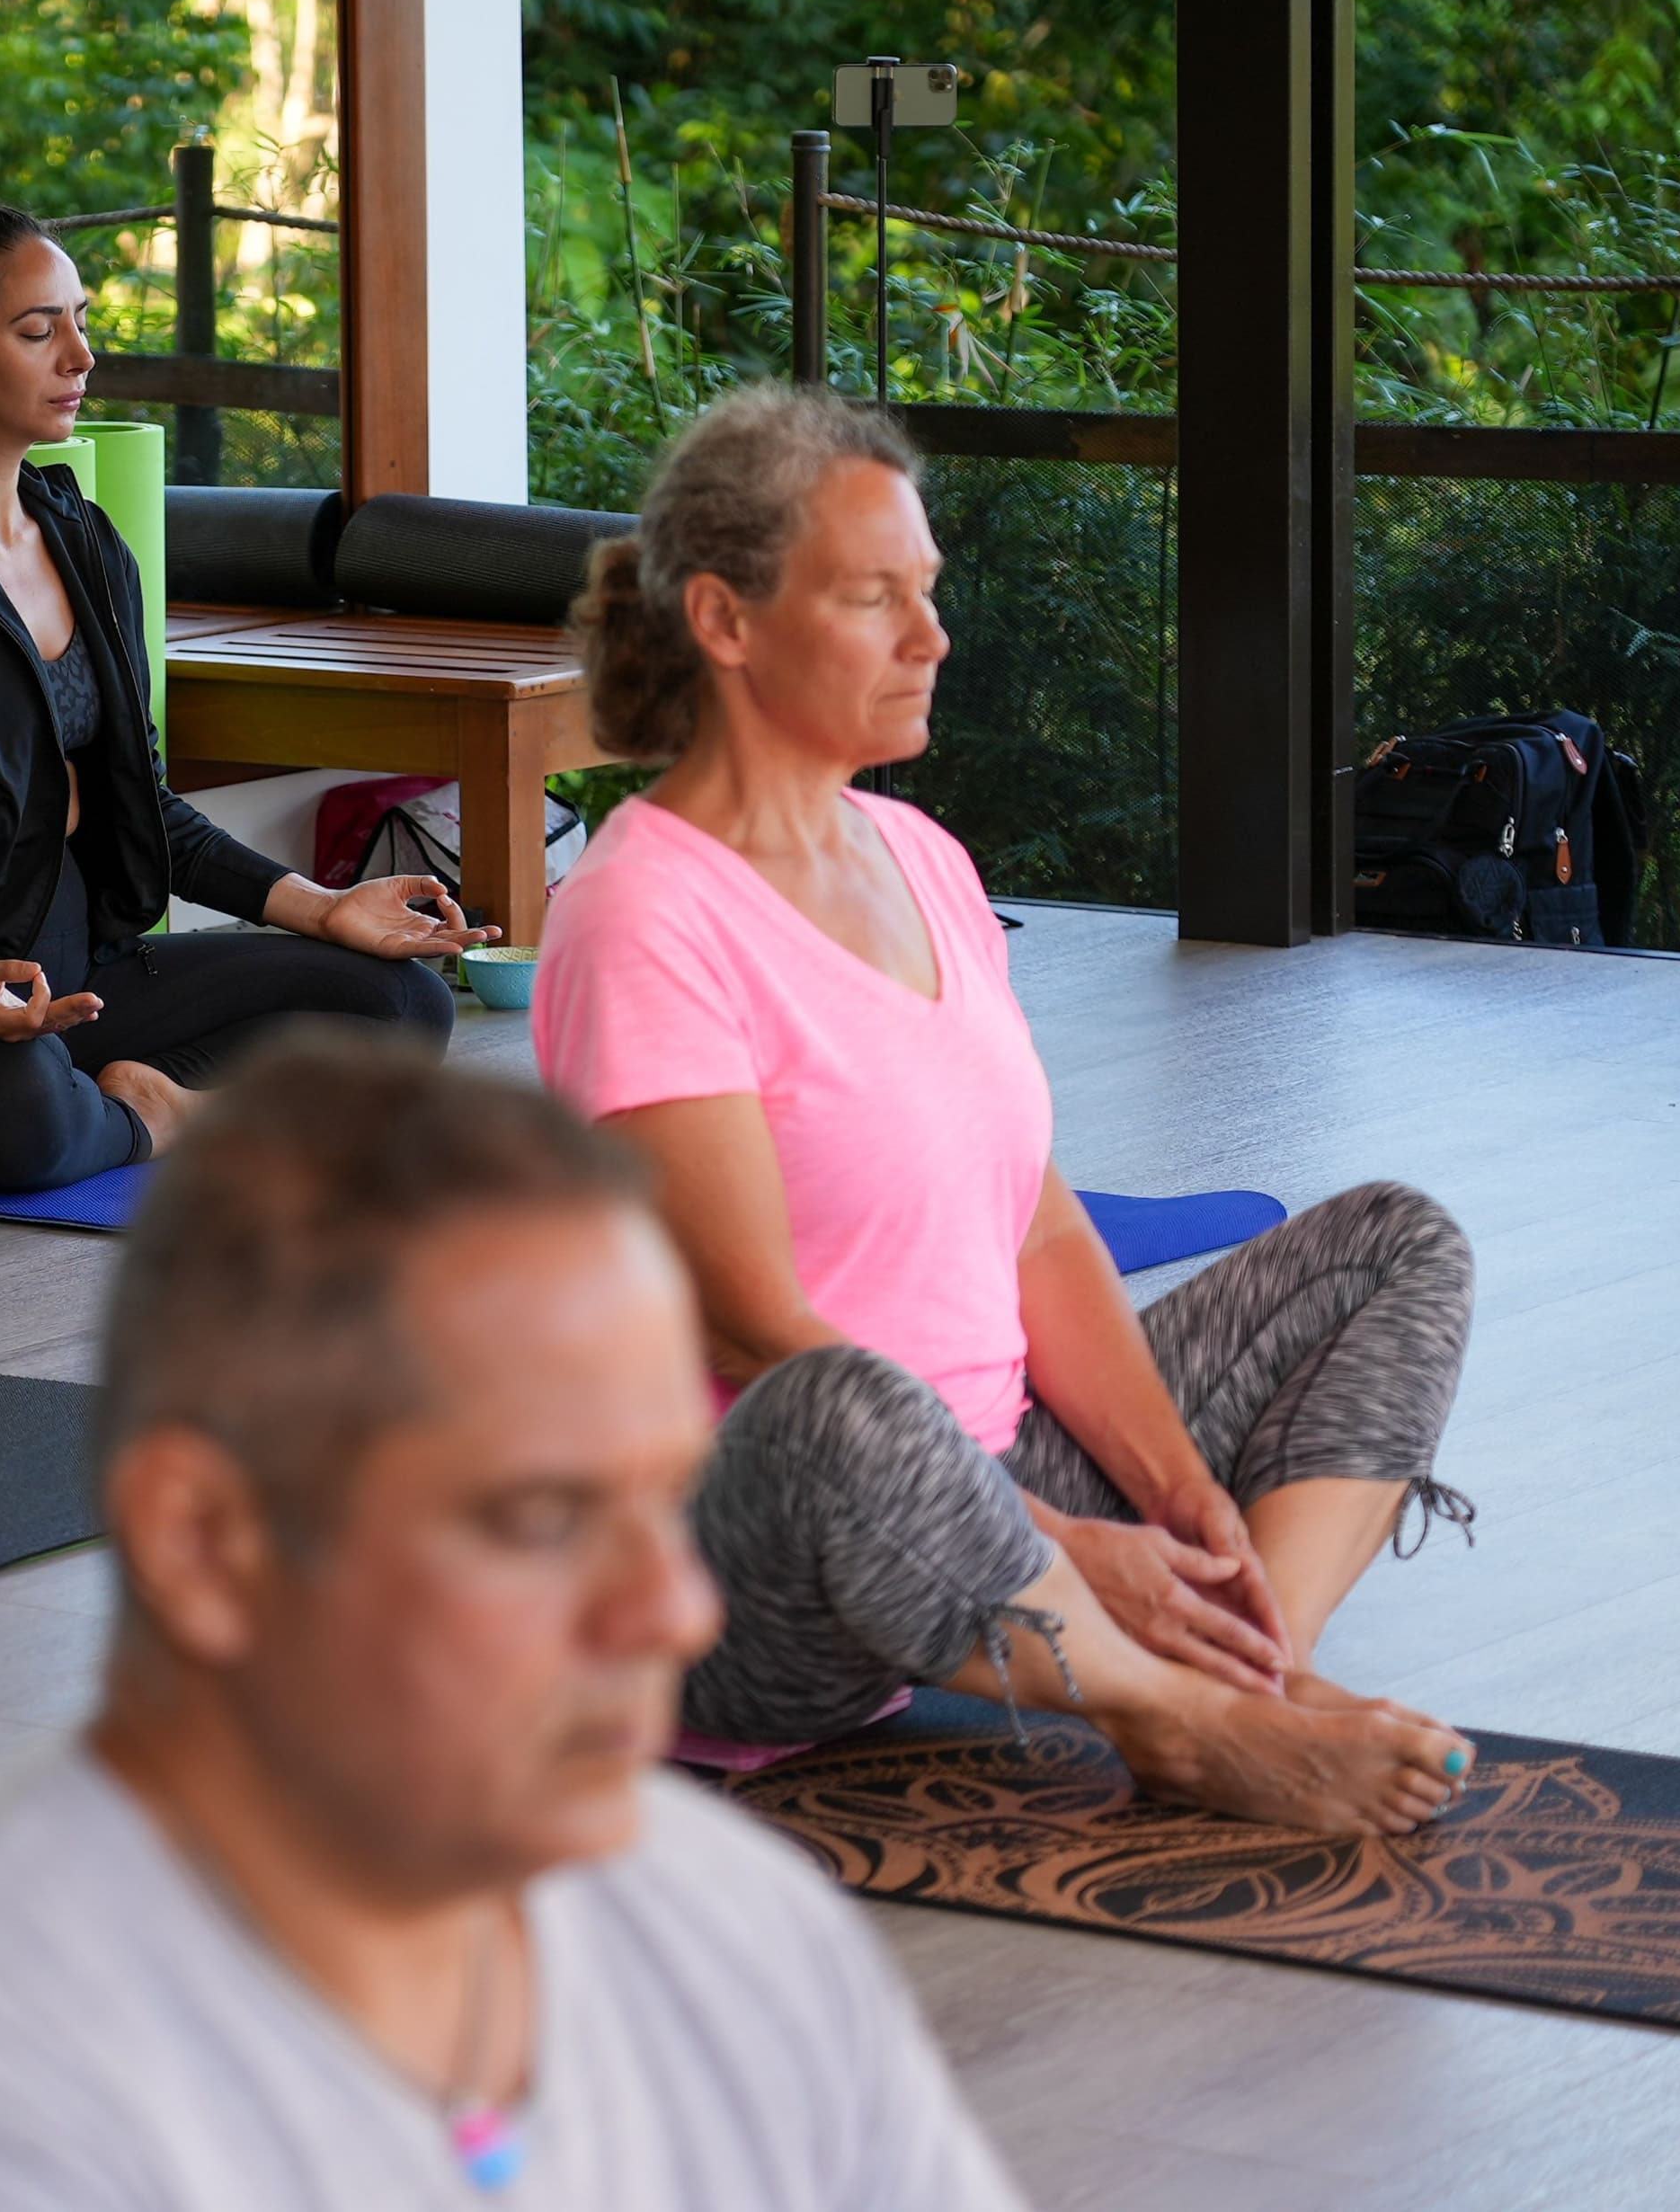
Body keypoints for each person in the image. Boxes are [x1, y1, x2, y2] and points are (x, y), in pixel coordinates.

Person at [0, 1037, 1026, 2212]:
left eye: (672, 1498)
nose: (674, 1608)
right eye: (545, 1516)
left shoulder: (733, 1920)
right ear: (208, 1544)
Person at [536, 385, 1477, 1835]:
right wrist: (1068, 1549)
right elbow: (744, 1330)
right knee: (844, 1396)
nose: (934, 639)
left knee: (1397, 1245)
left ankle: (1248, 1670)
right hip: (753, 1562)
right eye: (875, 599)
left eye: (930, 592)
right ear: (724, 621)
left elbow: (1037, 1229)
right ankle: (1176, 1715)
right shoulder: (642, 912)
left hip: (997, 1476)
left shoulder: (922, 856)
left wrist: (1172, 1498)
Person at [0, 200, 479, 1192]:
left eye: (82, 321)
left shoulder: (85, 543)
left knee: (403, 1009)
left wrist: (321, 908)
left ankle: (151, 1104)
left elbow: (149, 808)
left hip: (82, 976)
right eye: (39, 330)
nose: (81, 356)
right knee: (12, 1106)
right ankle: (108, 1113)